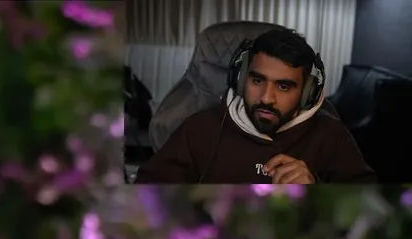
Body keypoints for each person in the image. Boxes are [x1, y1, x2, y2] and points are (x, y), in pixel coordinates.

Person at [136, 27, 377, 184]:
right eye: (257, 80)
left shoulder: (331, 136)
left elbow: (373, 213)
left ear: (307, 93)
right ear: (241, 79)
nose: (266, 98)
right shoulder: (199, 129)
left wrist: (317, 191)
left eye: (283, 86)